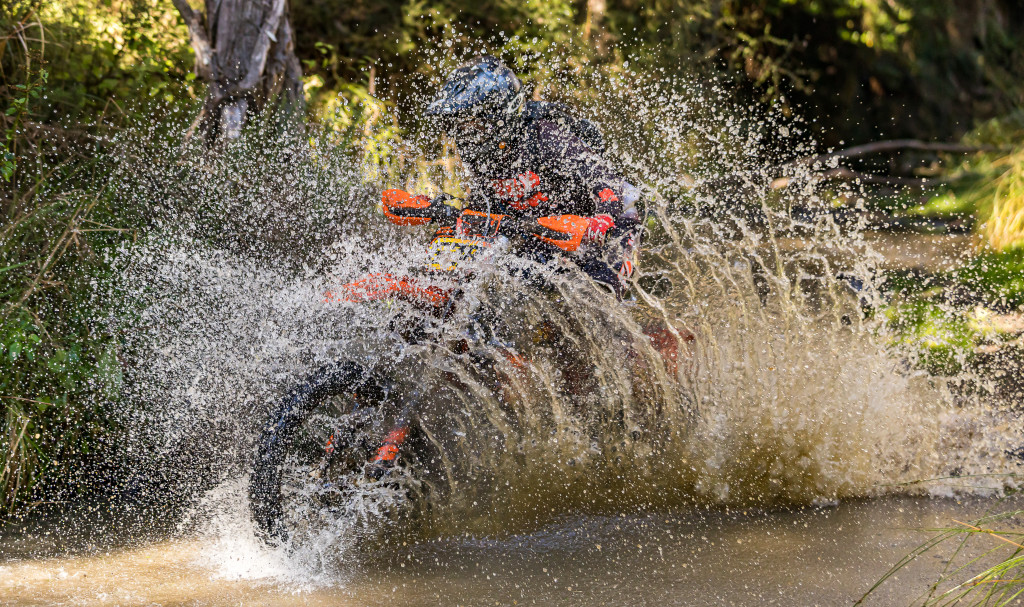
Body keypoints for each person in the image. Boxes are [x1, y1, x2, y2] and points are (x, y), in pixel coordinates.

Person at [419, 55, 642, 295]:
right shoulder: (484, 156)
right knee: (514, 276)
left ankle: (627, 313)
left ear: (500, 116)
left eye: (473, 125)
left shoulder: (546, 137)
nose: (465, 136)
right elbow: (486, 204)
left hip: (609, 218)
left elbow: (606, 183)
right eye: (459, 127)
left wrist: (602, 219)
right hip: (542, 227)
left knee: (601, 284)